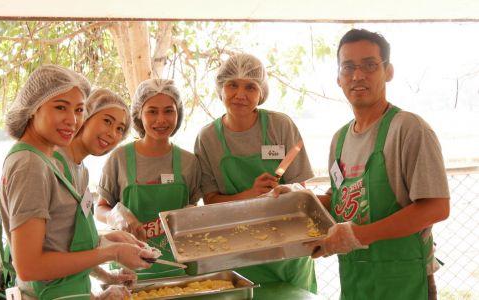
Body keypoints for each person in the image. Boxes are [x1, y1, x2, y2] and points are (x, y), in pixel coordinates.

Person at [309, 29, 450, 300]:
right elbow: (342, 198)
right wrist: (297, 201)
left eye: (370, 65)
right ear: (338, 78)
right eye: (348, 67)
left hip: (404, 281)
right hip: (356, 281)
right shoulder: (339, 139)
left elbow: (436, 207)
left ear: (388, 71)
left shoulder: (409, 129)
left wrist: (359, 235)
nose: (357, 75)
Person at [0, 65, 155, 300]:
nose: (72, 120)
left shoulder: (45, 160)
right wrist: (113, 252)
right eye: (60, 107)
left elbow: (58, 243)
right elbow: (30, 266)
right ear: (33, 107)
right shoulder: (30, 164)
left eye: (79, 109)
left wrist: (106, 245)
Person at [194, 53, 317, 299]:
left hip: (288, 248)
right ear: (221, 88)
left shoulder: (280, 126)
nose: (240, 94)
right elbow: (210, 202)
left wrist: (287, 192)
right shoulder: (207, 138)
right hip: (236, 252)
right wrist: (250, 195)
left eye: (250, 86)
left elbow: (301, 189)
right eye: (232, 85)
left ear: (261, 92)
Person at [95, 79, 202, 280]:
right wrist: (117, 216)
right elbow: (100, 208)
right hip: (128, 273)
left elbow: (192, 208)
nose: (161, 120)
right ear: (138, 115)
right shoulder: (119, 158)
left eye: (169, 111)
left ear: (178, 113)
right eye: (152, 111)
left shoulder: (189, 162)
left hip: (177, 270)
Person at [52, 88, 141, 294]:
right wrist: (113, 252)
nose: (112, 134)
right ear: (84, 116)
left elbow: (73, 244)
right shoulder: (54, 165)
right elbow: (47, 253)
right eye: (107, 121)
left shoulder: (81, 171)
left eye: (120, 128)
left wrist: (109, 277)